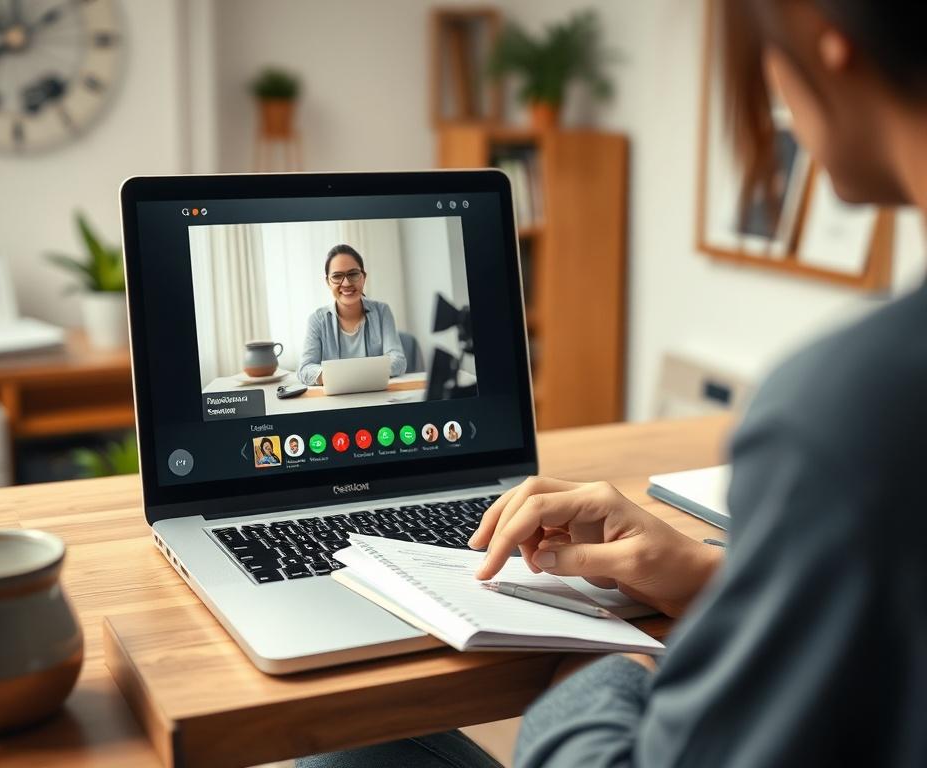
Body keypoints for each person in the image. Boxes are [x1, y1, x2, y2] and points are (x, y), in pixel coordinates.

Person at [298, 1, 927, 766]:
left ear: (825, 38)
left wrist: (604, 661)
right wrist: (706, 576)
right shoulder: (863, 408)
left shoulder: (844, 416)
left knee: (344, 752)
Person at [297, 244, 406, 386]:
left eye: (353, 274)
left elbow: (398, 360)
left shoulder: (382, 311)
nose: (346, 283)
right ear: (328, 282)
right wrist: (358, 375)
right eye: (337, 276)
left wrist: (345, 375)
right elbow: (305, 369)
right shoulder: (317, 320)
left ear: (363, 277)